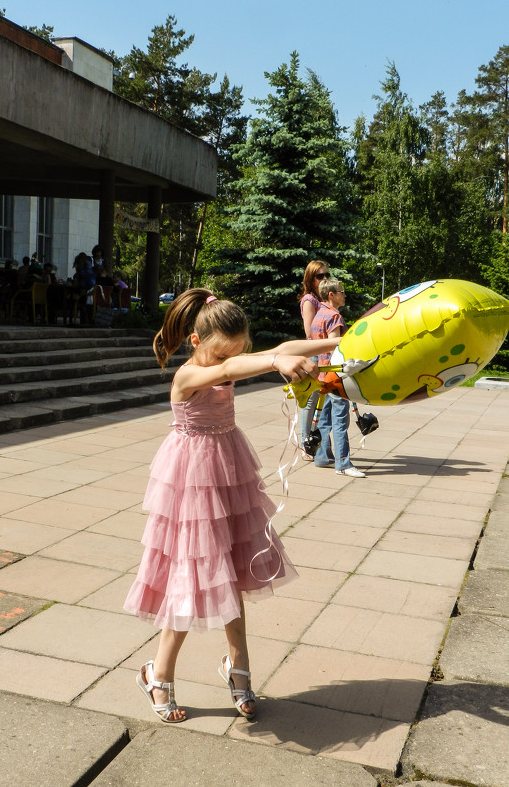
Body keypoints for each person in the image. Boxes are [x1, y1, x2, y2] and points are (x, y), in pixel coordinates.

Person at [123, 288, 338, 723]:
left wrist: (335, 343)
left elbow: (282, 348)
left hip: (227, 470)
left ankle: (237, 668)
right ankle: (157, 673)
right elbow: (241, 365)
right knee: (192, 575)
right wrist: (272, 362)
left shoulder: (225, 359)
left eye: (239, 352)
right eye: (223, 355)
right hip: (192, 480)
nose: (230, 364)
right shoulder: (186, 375)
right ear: (197, 342)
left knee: (234, 572)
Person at [311, 278, 365, 478]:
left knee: (324, 417)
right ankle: (343, 464)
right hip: (334, 374)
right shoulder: (333, 316)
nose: (345, 295)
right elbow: (333, 345)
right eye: (341, 292)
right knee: (340, 420)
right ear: (331, 295)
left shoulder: (319, 315)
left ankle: (322, 456)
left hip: (322, 374)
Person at [298, 260, 329, 461]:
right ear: (311, 279)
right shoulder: (310, 300)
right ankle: (304, 443)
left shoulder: (324, 298)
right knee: (310, 400)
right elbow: (309, 331)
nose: (325, 278)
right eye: (320, 276)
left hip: (324, 353)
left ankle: (315, 442)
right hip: (315, 353)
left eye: (327, 274)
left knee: (321, 399)